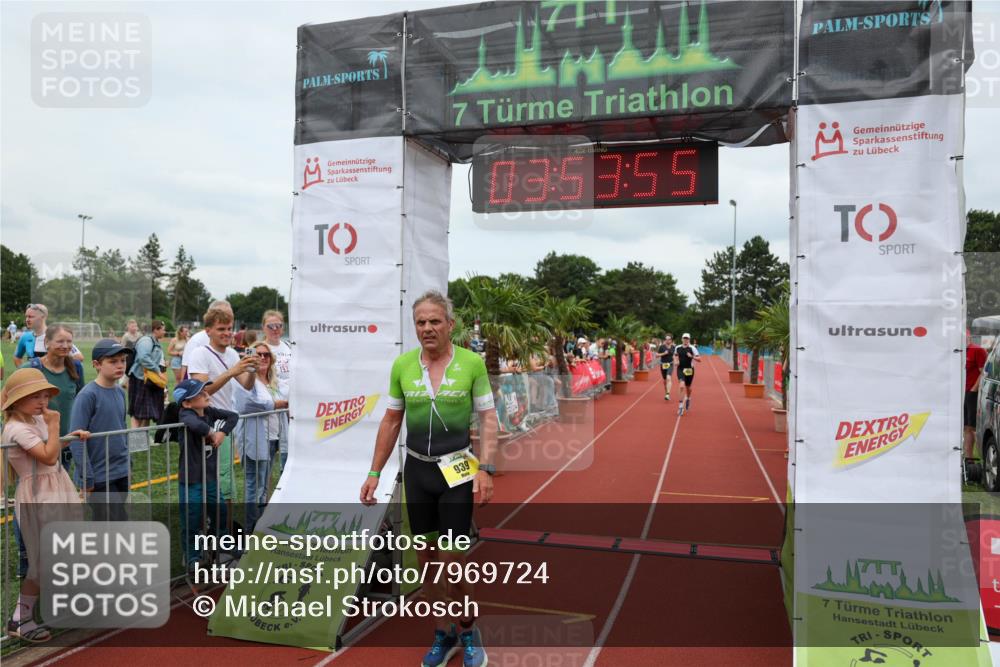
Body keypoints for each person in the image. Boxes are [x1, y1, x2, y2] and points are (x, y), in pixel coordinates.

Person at [360, 290, 497, 667]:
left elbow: (487, 419)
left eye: (435, 321)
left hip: (456, 473)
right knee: (427, 563)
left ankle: (469, 631)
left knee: (454, 561)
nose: (427, 328)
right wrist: (374, 472)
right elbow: (391, 420)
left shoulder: (471, 363)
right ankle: (443, 631)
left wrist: (486, 469)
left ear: (450, 325)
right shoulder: (403, 365)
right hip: (418, 472)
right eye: (421, 322)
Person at [2, 368, 88, 643]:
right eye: (34, 397)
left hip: (53, 488)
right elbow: (48, 457)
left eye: (44, 396)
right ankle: (20, 617)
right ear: (15, 401)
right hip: (40, 495)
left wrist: (66, 436)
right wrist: (54, 426)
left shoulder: (34, 420)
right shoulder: (15, 427)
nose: (42, 402)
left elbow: (48, 449)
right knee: (42, 560)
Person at [186, 307, 257, 505]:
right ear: (208, 331)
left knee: (224, 478)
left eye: (229, 328)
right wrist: (232, 372)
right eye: (221, 329)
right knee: (214, 480)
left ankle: (222, 527)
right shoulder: (200, 353)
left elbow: (247, 384)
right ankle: (215, 527)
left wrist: (252, 370)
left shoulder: (233, 354)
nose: (227, 333)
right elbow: (201, 392)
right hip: (207, 425)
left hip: (225, 424)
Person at [173, 378, 239, 581]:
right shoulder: (185, 414)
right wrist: (212, 433)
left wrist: (222, 433)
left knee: (219, 512)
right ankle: (192, 559)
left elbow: (233, 416)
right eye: (200, 394)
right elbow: (194, 425)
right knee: (191, 519)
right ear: (187, 402)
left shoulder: (209, 411)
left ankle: (221, 552)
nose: (206, 394)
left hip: (210, 477)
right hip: (191, 479)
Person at [69, 339, 131, 521]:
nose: (120, 365)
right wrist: (87, 478)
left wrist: (128, 464)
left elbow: (122, 429)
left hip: (121, 472)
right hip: (99, 476)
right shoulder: (88, 395)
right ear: (97, 364)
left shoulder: (120, 392)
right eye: (112, 361)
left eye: (123, 360)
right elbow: (76, 439)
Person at [233, 341, 289, 532]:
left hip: (274, 438)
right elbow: (248, 404)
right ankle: (250, 530)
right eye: (258, 354)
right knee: (253, 487)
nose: (262, 358)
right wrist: (277, 404)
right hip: (255, 439)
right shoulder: (245, 379)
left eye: (266, 355)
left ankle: (261, 527)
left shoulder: (275, 381)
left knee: (264, 487)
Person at [24, 325, 85, 477]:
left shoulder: (76, 368)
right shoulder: (31, 369)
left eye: (69, 341)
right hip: (36, 445)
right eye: (60, 341)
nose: (65, 346)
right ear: (47, 342)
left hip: (65, 443)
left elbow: (80, 400)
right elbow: (8, 400)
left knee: (59, 490)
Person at [262, 310, 292, 469]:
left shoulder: (289, 346)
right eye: (270, 326)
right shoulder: (260, 349)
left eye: (278, 325)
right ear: (263, 328)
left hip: (290, 410)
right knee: (268, 457)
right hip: (272, 410)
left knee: (288, 455)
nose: (275, 329)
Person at [13, 304, 83, 367]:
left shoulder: (56, 334)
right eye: (26, 317)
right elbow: (17, 358)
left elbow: (79, 357)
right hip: (35, 379)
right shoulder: (25, 336)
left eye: (31, 317)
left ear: (43, 317)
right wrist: (25, 373)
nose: (27, 320)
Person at [128, 320, 167, 428]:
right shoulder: (146, 341)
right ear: (156, 330)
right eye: (163, 330)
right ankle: (135, 441)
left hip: (149, 380)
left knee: (147, 414)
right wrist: (157, 370)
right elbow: (143, 358)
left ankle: (143, 440)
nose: (165, 332)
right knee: (137, 413)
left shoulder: (155, 341)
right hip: (139, 379)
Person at [180, 300, 233, 379]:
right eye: (222, 313)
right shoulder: (197, 340)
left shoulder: (227, 340)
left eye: (230, 313)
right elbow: (186, 369)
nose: (227, 316)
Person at [965, 330, 989, 463]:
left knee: (973, 427)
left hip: (972, 394)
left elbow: (983, 372)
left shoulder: (977, 350)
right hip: (962, 392)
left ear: (969, 337)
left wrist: (973, 389)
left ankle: (977, 460)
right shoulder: (958, 352)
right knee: (966, 427)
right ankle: (968, 459)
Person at [675, 333, 701, 415]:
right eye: (684, 338)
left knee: (688, 387)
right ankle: (680, 407)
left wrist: (692, 357)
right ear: (682, 339)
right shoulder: (677, 347)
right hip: (680, 369)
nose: (685, 340)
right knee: (681, 386)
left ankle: (689, 398)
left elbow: (699, 359)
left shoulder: (692, 348)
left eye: (687, 339)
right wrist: (676, 361)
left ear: (689, 340)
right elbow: (675, 356)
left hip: (689, 369)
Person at [657, 334, 676, 401]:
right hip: (663, 365)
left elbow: (674, 355)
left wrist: (676, 361)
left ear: (671, 340)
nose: (667, 340)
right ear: (665, 340)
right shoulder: (661, 347)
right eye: (666, 339)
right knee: (665, 381)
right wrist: (663, 353)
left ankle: (667, 394)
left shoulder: (673, 347)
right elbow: (657, 355)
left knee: (668, 378)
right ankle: (666, 394)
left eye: (669, 339)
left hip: (670, 364)